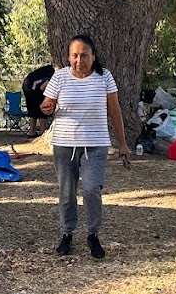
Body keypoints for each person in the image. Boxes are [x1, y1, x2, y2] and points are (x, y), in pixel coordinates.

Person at [40, 34, 130, 260]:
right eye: (75, 56)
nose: (79, 60)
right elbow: (46, 104)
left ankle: (93, 235)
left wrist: (123, 143)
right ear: (69, 57)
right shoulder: (60, 77)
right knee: (67, 192)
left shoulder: (104, 77)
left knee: (91, 189)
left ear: (93, 56)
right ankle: (67, 234)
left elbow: (115, 111)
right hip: (64, 144)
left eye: (84, 55)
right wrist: (46, 107)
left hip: (95, 143)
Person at [22, 62, 55, 137]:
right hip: (33, 87)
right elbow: (42, 88)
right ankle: (43, 132)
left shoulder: (48, 69)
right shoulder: (52, 73)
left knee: (32, 110)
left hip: (27, 85)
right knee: (42, 110)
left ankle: (32, 132)